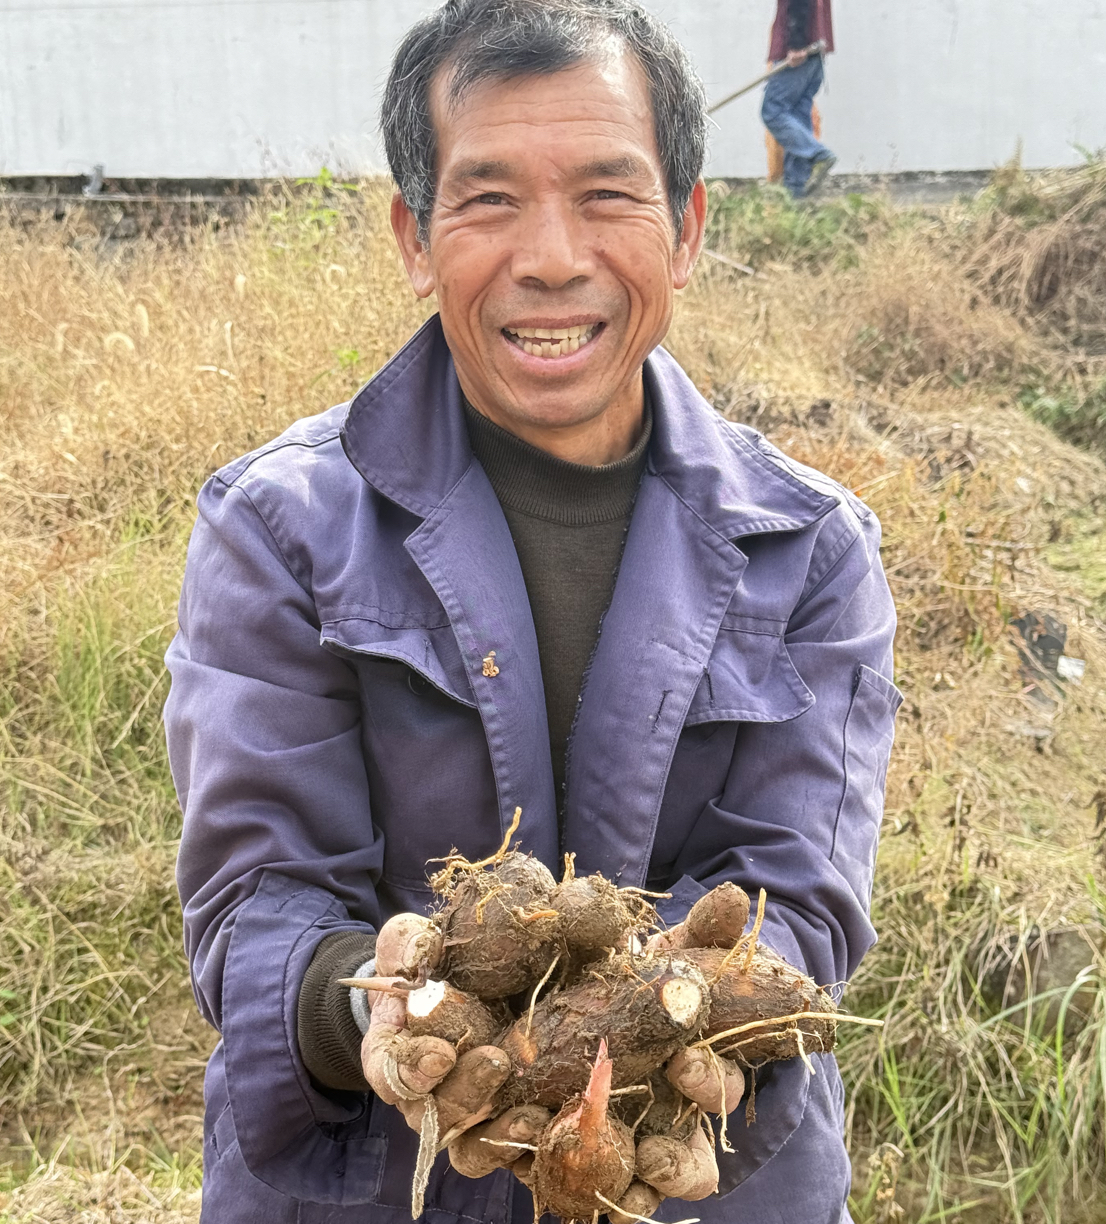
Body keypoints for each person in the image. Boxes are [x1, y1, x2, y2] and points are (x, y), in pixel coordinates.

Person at [163, 1, 901, 1221]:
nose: (552, 256)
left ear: (688, 229)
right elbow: (260, 900)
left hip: (700, 1182)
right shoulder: (277, 527)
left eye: (609, 195)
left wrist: (654, 1039)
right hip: (373, 1184)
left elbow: (798, 893)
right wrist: (385, 1008)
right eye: (491, 198)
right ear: (415, 235)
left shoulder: (810, 549)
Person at [761, 0, 837, 198]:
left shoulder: (798, 45)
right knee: (798, 118)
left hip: (800, 54)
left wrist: (796, 44)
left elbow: (798, 3)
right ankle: (796, 193)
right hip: (815, 53)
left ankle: (816, 154)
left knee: (773, 111)